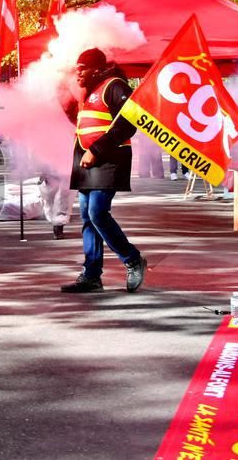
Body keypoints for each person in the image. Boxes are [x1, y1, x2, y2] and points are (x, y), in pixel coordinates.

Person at [59, 48, 147, 293]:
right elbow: (83, 123)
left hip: (108, 159)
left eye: (82, 68)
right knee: (88, 217)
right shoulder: (88, 92)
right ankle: (92, 275)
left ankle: (132, 259)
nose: (77, 74)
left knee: (97, 213)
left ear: (97, 68)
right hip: (88, 163)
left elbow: (131, 120)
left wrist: (96, 150)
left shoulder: (114, 85)